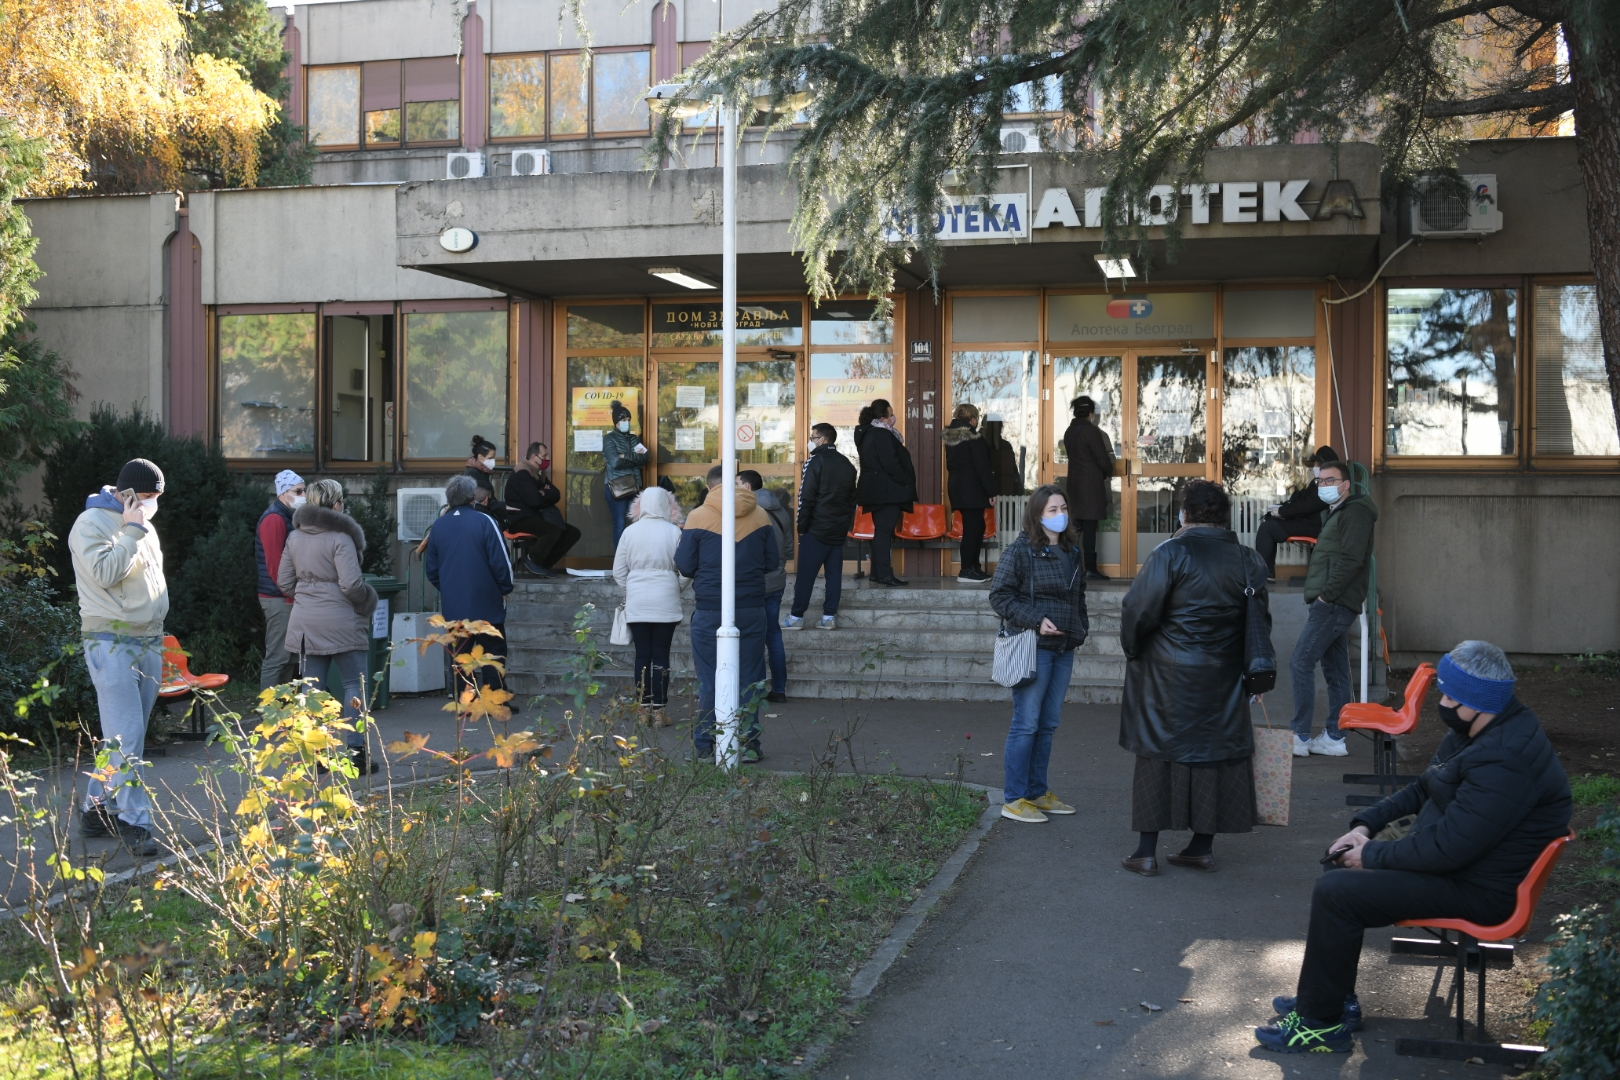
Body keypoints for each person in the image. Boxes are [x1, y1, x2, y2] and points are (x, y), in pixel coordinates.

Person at [1257, 641, 1571, 1055]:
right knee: (1339, 871)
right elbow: (1426, 785)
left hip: (1481, 891)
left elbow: (1448, 849)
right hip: (1462, 869)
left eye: (1450, 697)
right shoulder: (1477, 730)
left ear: (1479, 701)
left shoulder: (1504, 760)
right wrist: (1367, 825)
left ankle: (1321, 1026)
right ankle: (1332, 999)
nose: (1441, 703)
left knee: (1337, 893)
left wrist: (1370, 856)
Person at [1117, 479, 1269, 876]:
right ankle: (1200, 848)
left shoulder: (1170, 552)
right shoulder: (1248, 559)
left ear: (1184, 514)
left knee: (1157, 754)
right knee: (1212, 756)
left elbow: (1137, 610)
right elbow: (1259, 623)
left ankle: (1145, 852)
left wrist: (1134, 649)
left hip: (1167, 674)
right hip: (1223, 674)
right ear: (1224, 516)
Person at [71, 458, 169, 857]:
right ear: (125, 494)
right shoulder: (90, 523)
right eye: (146, 497)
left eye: (156, 498)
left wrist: (137, 528)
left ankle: (95, 809)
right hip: (109, 643)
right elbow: (106, 572)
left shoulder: (143, 525)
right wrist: (131, 530)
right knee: (127, 736)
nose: (151, 505)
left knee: (124, 737)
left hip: (149, 642)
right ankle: (134, 821)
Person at [989, 484, 1089, 823]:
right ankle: (1014, 798)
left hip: (1064, 648)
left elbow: (1080, 596)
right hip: (1033, 648)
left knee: (1048, 724)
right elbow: (1000, 596)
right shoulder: (1020, 551)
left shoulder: (1073, 551)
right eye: (1052, 510)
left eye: (1063, 508)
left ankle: (1036, 792)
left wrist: (1080, 629)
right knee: (1026, 724)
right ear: (1037, 515)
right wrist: (1036, 621)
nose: (1060, 515)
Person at [676, 464, 778, 763]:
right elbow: (772, 561)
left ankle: (706, 746)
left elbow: (684, 565)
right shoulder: (760, 515)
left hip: (710, 607)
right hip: (750, 606)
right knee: (749, 678)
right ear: (737, 484)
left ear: (710, 488)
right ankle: (747, 744)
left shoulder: (697, 516)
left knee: (709, 679)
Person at [278, 478, 380, 773]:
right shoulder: (341, 538)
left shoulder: (294, 537)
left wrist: (307, 595)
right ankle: (356, 754)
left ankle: (318, 755)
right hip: (341, 621)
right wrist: (366, 601)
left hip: (305, 623)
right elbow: (350, 584)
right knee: (353, 684)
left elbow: (284, 581)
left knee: (313, 690)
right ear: (337, 504)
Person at [1288, 459, 1378, 758]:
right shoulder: (1339, 512)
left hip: (1334, 603)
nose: (1324, 485)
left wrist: (1327, 596)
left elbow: (1352, 560)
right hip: (1333, 601)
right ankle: (1334, 738)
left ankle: (1300, 737)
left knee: (1300, 662)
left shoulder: (1355, 512)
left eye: (1330, 480)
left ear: (1346, 485)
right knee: (1336, 670)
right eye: (1321, 481)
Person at [425, 475, 516, 710]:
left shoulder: (438, 526)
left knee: (460, 655)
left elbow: (432, 570)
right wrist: (505, 588)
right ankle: (495, 702)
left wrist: (448, 588)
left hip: (454, 604)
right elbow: (501, 562)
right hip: (486, 600)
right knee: (492, 653)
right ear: (472, 497)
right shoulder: (485, 521)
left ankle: (465, 703)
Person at [613, 486, 685, 715]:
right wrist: (675, 587)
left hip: (637, 602)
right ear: (668, 505)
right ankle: (660, 709)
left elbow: (618, 571)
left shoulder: (630, 532)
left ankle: (643, 709)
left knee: (642, 654)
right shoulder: (675, 532)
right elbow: (687, 570)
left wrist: (631, 588)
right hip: (666, 600)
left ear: (640, 505)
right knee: (662, 654)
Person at [787, 423, 857, 631]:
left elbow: (805, 498)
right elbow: (851, 499)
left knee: (806, 576)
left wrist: (802, 527)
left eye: (813, 437)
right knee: (834, 575)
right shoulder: (848, 464)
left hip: (816, 529)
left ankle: (796, 616)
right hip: (837, 529)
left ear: (823, 439)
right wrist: (845, 525)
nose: (811, 440)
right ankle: (828, 617)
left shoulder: (815, 461)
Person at [739, 470, 792, 702]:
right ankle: (779, 689)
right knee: (773, 635)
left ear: (747, 487)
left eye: (736, 484)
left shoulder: (749, 513)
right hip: (776, 579)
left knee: (752, 636)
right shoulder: (782, 512)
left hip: (754, 582)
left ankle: (755, 690)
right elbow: (789, 549)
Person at [854, 398, 917, 587]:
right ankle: (885, 575)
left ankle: (877, 573)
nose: (893, 418)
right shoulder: (882, 434)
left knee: (881, 532)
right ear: (883, 417)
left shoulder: (868, 433)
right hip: (887, 492)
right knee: (884, 532)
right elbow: (891, 463)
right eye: (891, 415)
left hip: (877, 490)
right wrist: (907, 479)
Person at [1255, 446, 1337, 581]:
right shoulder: (1322, 482)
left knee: (1267, 528)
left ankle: (1263, 574)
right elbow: (1303, 502)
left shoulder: (1326, 485)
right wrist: (1281, 510)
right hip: (1308, 521)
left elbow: (1306, 506)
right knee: (1269, 524)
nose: (1315, 467)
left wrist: (1281, 511)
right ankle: (1267, 573)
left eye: (1317, 464)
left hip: (1314, 525)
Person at [256, 469, 305, 689]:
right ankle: (268, 714)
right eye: (299, 491)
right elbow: (275, 566)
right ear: (284, 493)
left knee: (288, 659)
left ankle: (280, 713)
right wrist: (292, 594)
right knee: (277, 657)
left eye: (305, 490)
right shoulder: (275, 519)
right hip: (278, 597)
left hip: (283, 595)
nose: (304, 495)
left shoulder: (284, 516)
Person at [504, 441, 580, 576]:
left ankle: (542, 565)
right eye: (544, 456)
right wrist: (542, 494)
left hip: (535, 516)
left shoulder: (539, 474)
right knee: (552, 531)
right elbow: (534, 501)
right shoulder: (522, 473)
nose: (547, 459)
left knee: (572, 533)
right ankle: (531, 561)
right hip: (519, 519)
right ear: (534, 457)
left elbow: (556, 494)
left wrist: (543, 493)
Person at [1062, 396, 1116, 581]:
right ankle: (1091, 568)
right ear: (1091, 414)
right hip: (1090, 485)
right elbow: (1103, 460)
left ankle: (1072, 567)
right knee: (1090, 528)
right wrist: (1108, 471)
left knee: (1076, 528)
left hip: (1074, 485)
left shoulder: (1069, 431)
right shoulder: (1091, 432)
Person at [943, 403, 997, 583]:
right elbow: (982, 467)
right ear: (972, 419)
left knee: (975, 527)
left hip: (957, 487)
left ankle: (973, 568)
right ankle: (967, 570)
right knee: (973, 529)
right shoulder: (974, 438)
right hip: (972, 488)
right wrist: (991, 491)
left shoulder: (951, 438)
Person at [603, 400, 649, 547]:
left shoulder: (634, 438)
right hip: (617, 487)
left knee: (639, 524)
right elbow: (615, 462)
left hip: (634, 485)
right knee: (620, 524)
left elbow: (646, 457)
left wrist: (625, 455)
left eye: (628, 420)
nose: (626, 423)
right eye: (623, 420)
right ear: (616, 422)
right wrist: (633, 457)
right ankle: (620, 562)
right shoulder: (609, 439)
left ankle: (635, 560)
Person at [982, 414, 1025, 496]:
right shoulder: (979, 445)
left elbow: (1013, 471)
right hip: (993, 492)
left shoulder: (1005, 446)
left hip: (1004, 492)